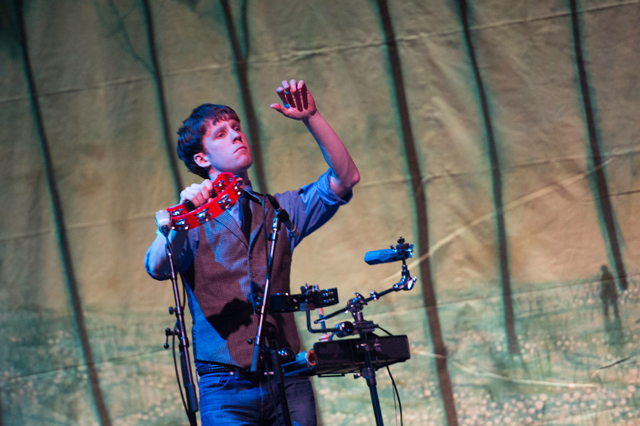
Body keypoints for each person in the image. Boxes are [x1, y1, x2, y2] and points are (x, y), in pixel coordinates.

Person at [145, 79, 359, 426]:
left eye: (236, 127)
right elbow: (157, 266)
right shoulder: (190, 218)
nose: (236, 135)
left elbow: (345, 178)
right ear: (201, 158)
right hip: (224, 386)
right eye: (221, 133)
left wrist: (312, 117)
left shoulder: (280, 209)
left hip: (288, 377)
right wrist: (179, 221)